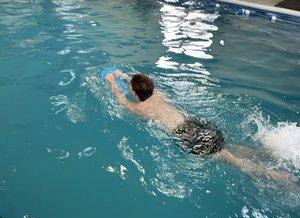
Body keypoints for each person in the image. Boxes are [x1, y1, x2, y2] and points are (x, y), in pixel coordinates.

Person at [105, 71, 290, 181]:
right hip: (195, 124)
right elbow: (140, 84)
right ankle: (263, 153)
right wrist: (123, 75)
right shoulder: (157, 94)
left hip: (187, 135)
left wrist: (111, 80)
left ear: (135, 92)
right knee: (227, 147)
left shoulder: (141, 108)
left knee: (230, 159)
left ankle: (272, 175)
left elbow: (119, 98)